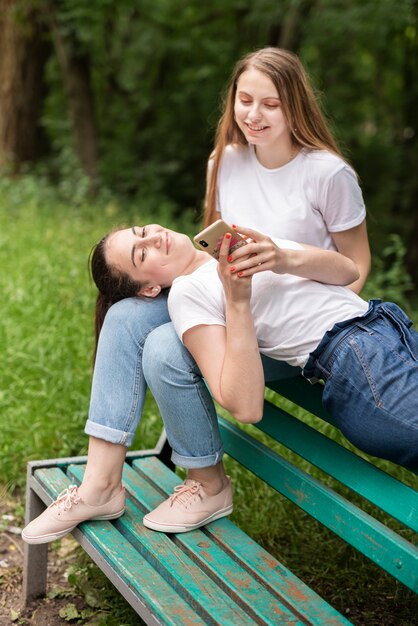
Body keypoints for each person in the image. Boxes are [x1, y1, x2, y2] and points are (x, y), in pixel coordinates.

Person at [21, 46, 373, 543]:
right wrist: (219, 298)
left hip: (291, 323)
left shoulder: (328, 174)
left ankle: (207, 484)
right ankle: (100, 484)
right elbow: (214, 243)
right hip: (225, 298)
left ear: (295, 103)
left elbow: (356, 266)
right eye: (243, 100)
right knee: (123, 314)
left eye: (269, 103)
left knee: (166, 346)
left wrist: (304, 318)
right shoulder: (224, 161)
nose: (252, 114)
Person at [22, 222, 418, 543]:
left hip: (384, 325)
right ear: (149, 289)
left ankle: (99, 490)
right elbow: (246, 407)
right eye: (143, 254)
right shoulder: (190, 295)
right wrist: (238, 300)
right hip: (354, 357)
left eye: (142, 231)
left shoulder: (243, 242)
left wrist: (282, 256)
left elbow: (348, 272)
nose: (154, 237)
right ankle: (100, 487)